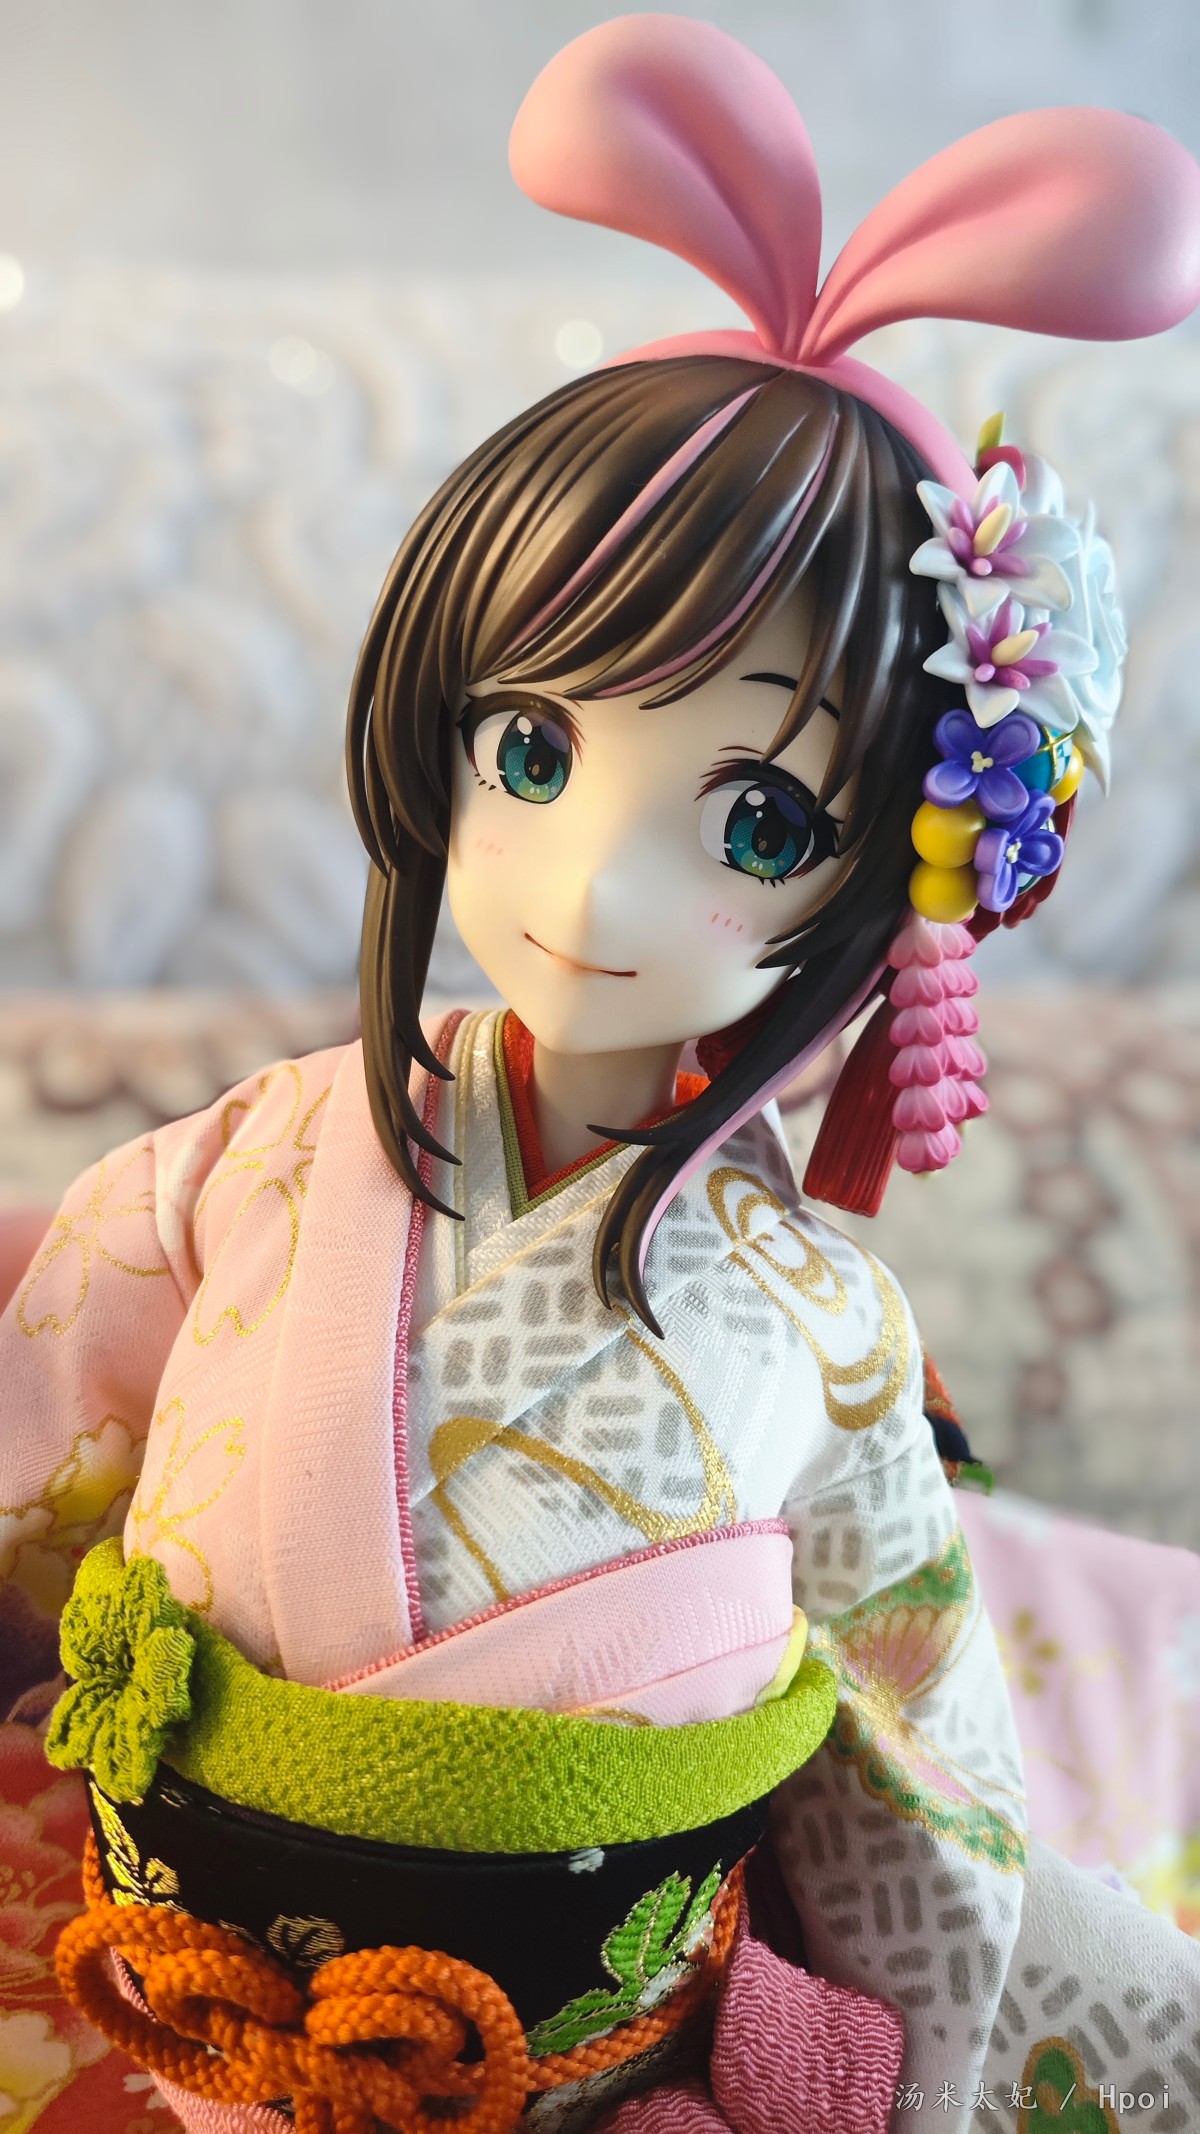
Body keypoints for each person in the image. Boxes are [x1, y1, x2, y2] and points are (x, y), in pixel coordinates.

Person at [4, 18, 1199, 2133]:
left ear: (892, 872)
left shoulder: (826, 1324)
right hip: (187, 2017)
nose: (588, 884)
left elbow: (917, 1754)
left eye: (756, 820)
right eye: (534, 750)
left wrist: (920, 2047)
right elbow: (41, 1451)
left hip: (588, 2073)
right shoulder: (248, 1162)